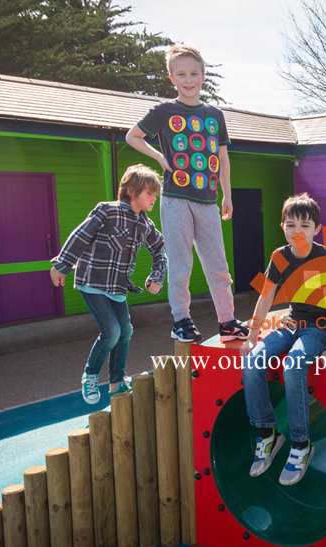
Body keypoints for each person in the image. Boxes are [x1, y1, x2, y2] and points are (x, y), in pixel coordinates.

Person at [125, 43, 248, 344]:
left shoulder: (215, 115)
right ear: (172, 78)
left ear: (203, 76)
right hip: (176, 199)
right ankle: (181, 320)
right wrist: (159, 158)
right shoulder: (165, 111)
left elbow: (222, 158)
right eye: (181, 74)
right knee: (182, 264)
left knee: (218, 265)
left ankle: (227, 321)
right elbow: (133, 136)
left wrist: (227, 195)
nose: (188, 79)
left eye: (194, 73)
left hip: (207, 202)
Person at [239, 193, 326, 485]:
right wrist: (251, 337)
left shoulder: (324, 257)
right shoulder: (279, 256)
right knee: (254, 359)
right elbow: (265, 297)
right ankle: (267, 433)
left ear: (316, 229)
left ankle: (301, 444)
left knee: (293, 365)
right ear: (282, 226)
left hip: (319, 327)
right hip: (292, 322)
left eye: (305, 225)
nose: (297, 231)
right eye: (291, 225)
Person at [50, 164, 167, 404]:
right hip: (92, 282)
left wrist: (157, 275)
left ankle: (116, 383)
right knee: (112, 331)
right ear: (132, 191)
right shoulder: (108, 211)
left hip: (117, 288)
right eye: (149, 193)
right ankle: (90, 375)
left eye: (156, 194)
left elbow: (159, 249)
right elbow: (80, 236)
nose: (154, 198)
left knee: (125, 332)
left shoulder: (145, 225)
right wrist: (61, 266)